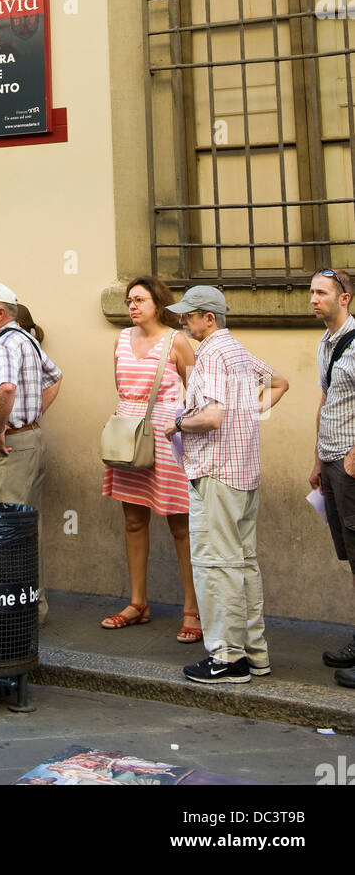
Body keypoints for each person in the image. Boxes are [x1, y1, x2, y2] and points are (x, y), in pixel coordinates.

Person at [163, 286, 288, 684]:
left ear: (209, 318)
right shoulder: (235, 349)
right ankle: (255, 654)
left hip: (216, 474)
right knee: (243, 563)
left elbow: (213, 417)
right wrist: (248, 414)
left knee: (216, 567)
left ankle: (227, 658)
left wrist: (177, 424)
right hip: (244, 473)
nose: (183, 322)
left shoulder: (213, 353)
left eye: (189, 315)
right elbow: (280, 382)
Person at [101, 276, 199, 641]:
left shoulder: (177, 340)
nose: (132, 306)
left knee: (180, 524)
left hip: (168, 434)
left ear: (158, 303)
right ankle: (138, 602)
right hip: (130, 432)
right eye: (129, 300)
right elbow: (121, 385)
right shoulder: (121, 339)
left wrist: (181, 425)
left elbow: (197, 392)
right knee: (133, 520)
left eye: (139, 300)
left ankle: (193, 608)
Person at [0, 281, 62, 623]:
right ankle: (30, 607)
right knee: (26, 528)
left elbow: (6, 388)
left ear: (1, 313)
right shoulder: (27, 340)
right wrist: (32, 417)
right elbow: (56, 377)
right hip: (28, 441)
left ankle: (8, 612)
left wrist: (0, 429)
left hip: (9, 448)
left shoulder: (7, 344)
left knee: (2, 526)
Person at [307, 268, 355, 687]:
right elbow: (327, 401)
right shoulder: (327, 342)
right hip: (332, 459)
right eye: (311, 292)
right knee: (351, 557)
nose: (313, 299)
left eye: (322, 292)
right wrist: (318, 459)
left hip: (352, 463)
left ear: (345, 299)